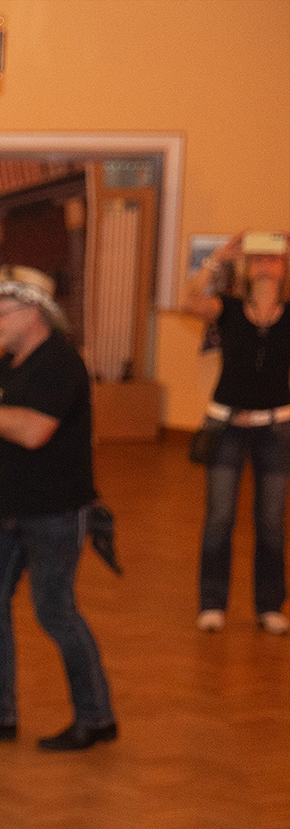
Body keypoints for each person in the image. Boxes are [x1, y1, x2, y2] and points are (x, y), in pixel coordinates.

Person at [0, 266, 117, 751]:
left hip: (55, 511)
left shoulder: (60, 363)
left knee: (55, 611)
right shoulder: (8, 366)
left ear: (34, 312)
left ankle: (96, 719)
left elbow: (34, 432)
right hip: (3, 508)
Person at [183, 234, 290, 635]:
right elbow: (188, 302)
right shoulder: (227, 308)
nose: (265, 262)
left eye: (273, 257)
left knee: (271, 521)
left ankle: (269, 606)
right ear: (247, 267)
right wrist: (217, 257)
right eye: (258, 257)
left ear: (284, 266)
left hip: (276, 427)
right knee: (219, 517)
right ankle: (212, 604)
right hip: (225, 425)